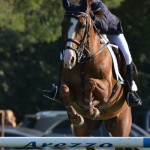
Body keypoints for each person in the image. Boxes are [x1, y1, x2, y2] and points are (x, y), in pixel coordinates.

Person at [43, 0, 142, 107]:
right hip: (91, 35)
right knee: (63, 53)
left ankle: (130, 90)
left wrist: (89, 19)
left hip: (112, 30)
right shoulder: (75, 7)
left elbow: (104, 25)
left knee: (127, 55)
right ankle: (58, 87)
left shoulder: (97, 5)